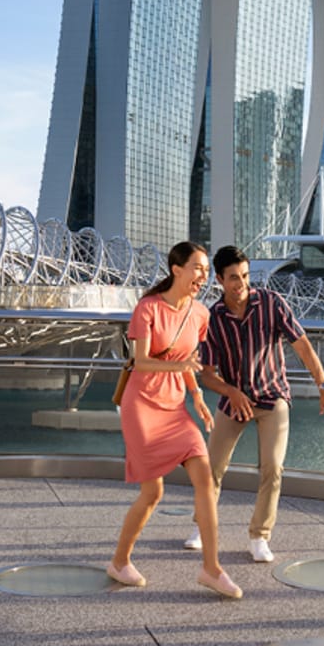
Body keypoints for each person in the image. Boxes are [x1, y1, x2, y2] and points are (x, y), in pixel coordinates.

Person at [190, 246, 324, 562]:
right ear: (221, 279)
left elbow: (302, 345)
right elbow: (207, 375)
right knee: (212, 468)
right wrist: (232, 392)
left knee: (272, 468)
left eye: (246, 276)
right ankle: (201, 526)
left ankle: (259, 537)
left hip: (272, 396)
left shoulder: (271, 303)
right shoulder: (212, 318)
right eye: (234, 278)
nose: (241, 283)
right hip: (234, 401)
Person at [106, 241, 242, 600]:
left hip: (175, 407)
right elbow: (142, 361)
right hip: (142, 406)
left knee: (205, 480)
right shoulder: (147, 308)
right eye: (196, 268)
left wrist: (197, 396)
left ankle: (211, 569)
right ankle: (119, 562)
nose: (203, 275)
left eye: (204, 269)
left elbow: (189, 363)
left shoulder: (200, 315)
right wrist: (180, 368)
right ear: (176, 269)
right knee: (153, 493)